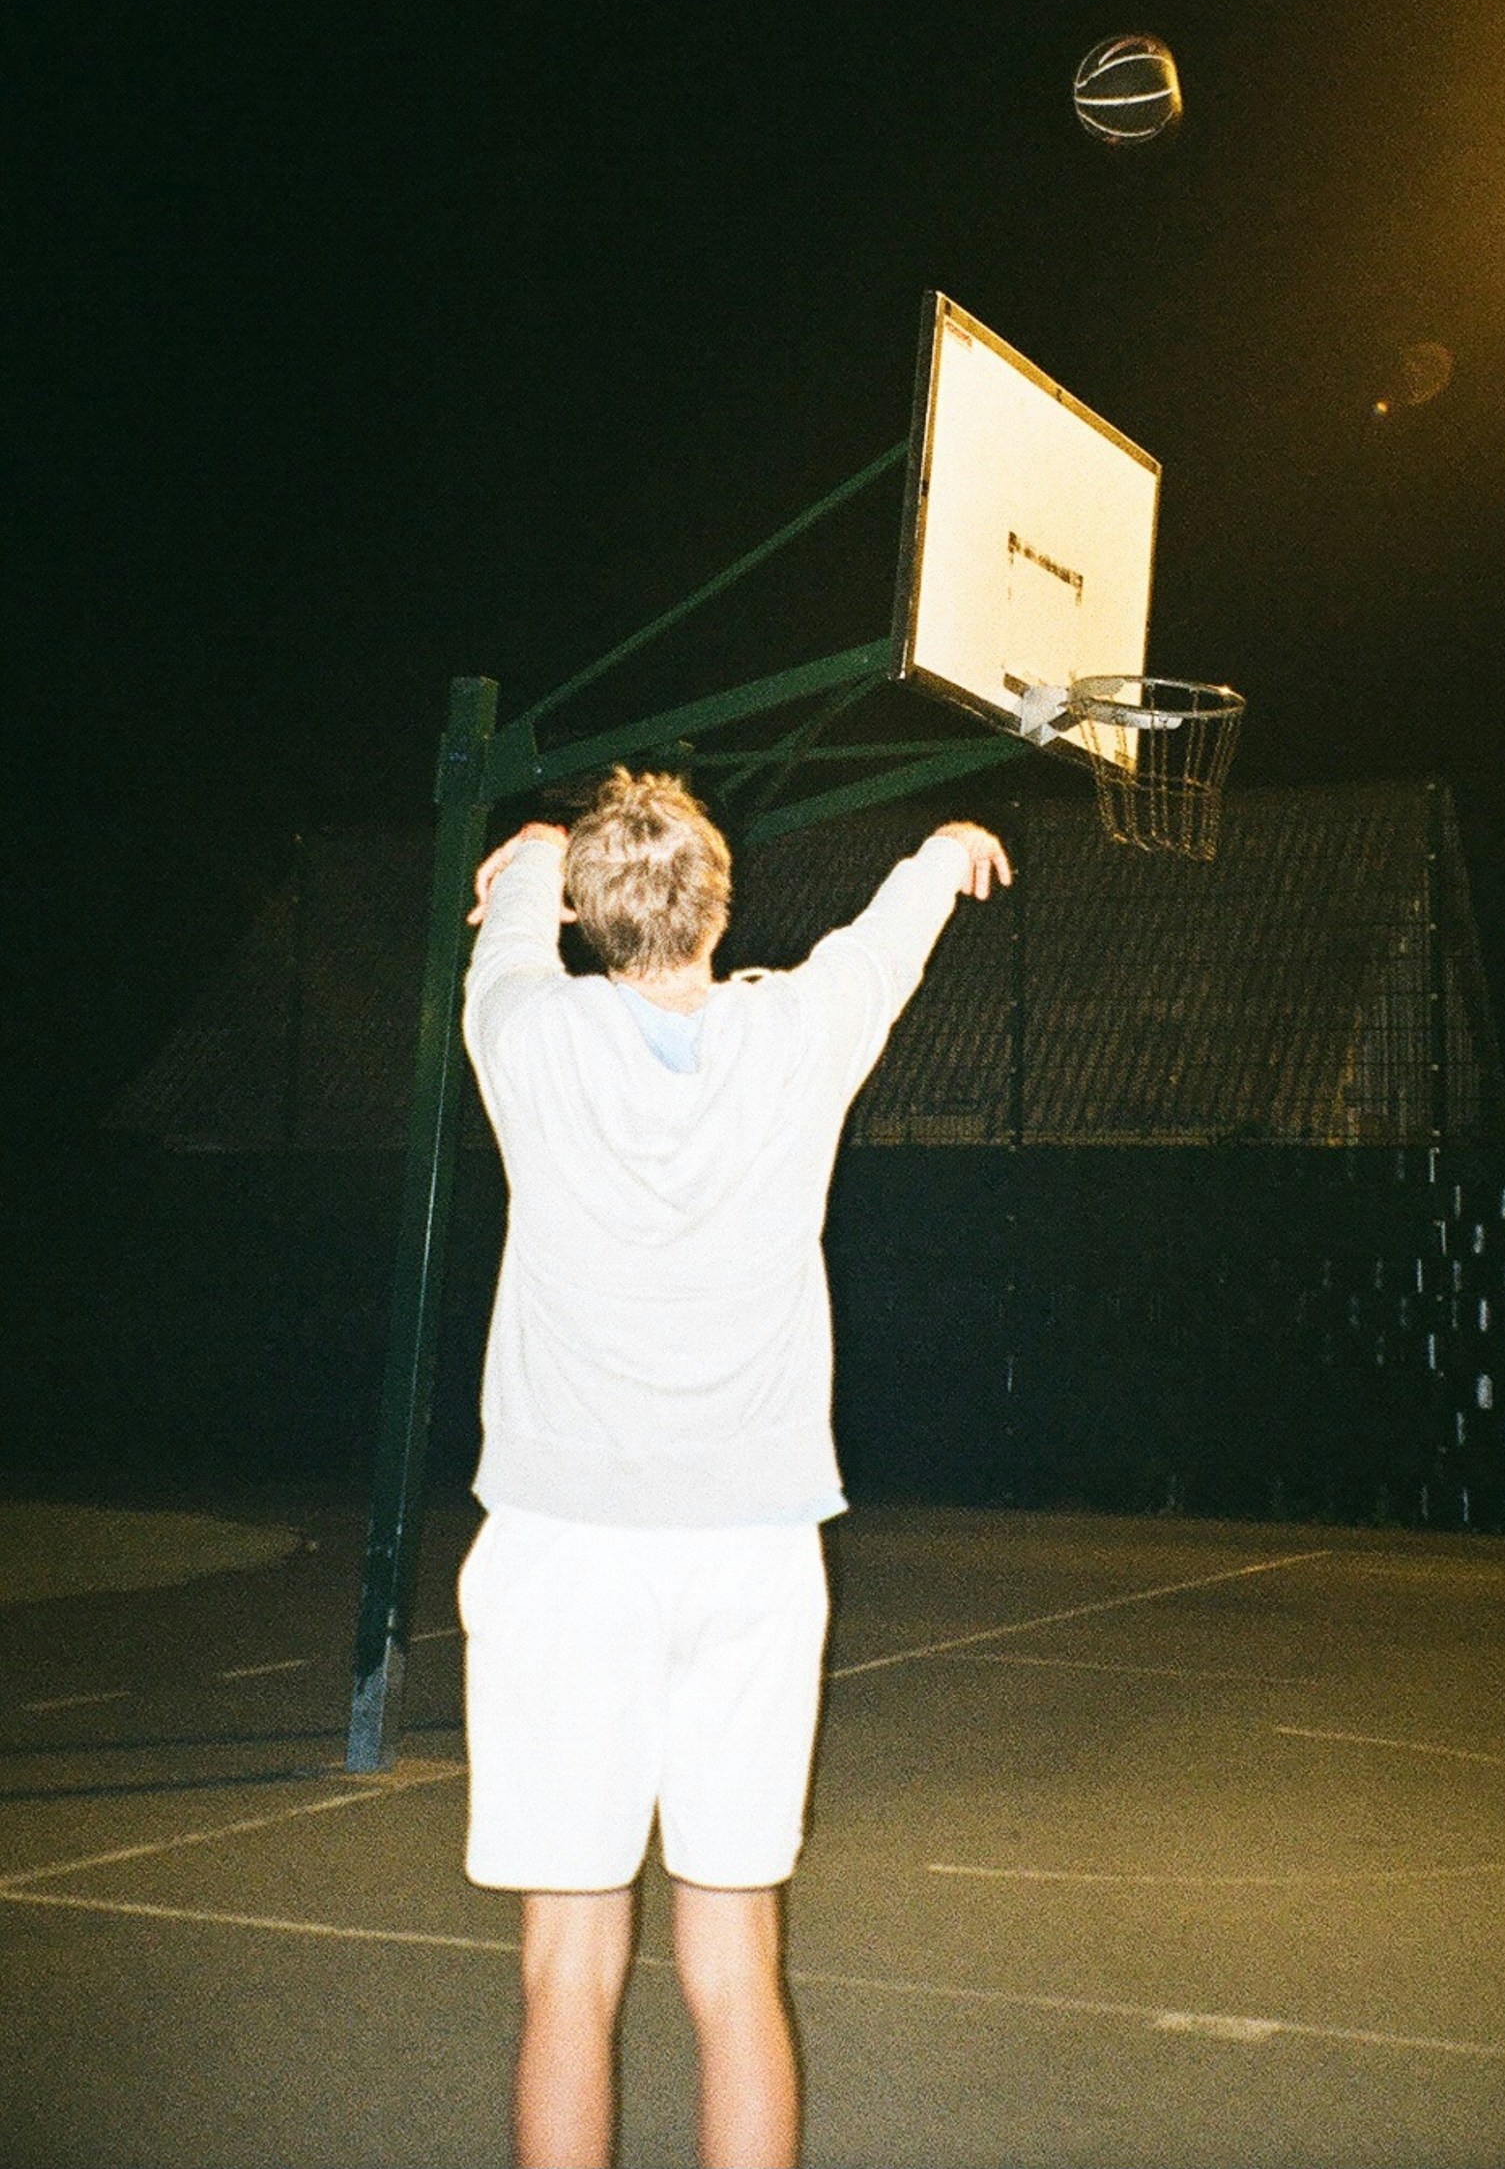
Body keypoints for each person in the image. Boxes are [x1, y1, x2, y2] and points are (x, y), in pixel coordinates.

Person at [458, 769, 1010, 2169]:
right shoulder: (796, 1034)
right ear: (722, 903)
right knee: (734, 1967)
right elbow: (886, 940)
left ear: (591, 913)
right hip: (752, 1557)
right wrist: (946, 850)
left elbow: (511, 931)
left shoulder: (528, 1034)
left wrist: (532, 859)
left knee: (564, 1978)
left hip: (565, 1554)